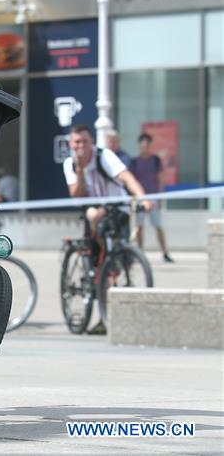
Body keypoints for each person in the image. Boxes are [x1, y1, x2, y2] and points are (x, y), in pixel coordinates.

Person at [63, 124, 152, 334]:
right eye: (76, 142)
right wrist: (81, 170)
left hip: (116, 208)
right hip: (91, 209)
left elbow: (127, 178)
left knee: (118, 262)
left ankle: (114, 259)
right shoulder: (70, 164)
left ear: (91, 142)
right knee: (93, 215)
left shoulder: (105, 156)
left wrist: (143, 198)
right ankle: (101, 258)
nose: (81, 146)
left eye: (84, 141)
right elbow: (77, 194)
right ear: (71, 144)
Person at [129, 133, 173, 263]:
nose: (144, 147)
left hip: (153, 198)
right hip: (140, 199)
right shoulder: (134, 162)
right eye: (142, 145)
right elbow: (131, 181)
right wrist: (134, 199)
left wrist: (160, 197)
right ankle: (140, 253)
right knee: (139, 226)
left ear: (150, 146)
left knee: (158, 226)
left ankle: (165, 253)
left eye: (147, 145)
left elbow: (160, 179)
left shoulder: (155, 160)